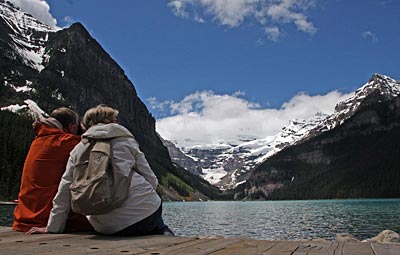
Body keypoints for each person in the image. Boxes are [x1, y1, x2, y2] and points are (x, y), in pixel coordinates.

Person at [27, 105, 173, 236]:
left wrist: (53, 227)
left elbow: (64, 190)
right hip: (145, 216)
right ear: (114, 122)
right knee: (156, 216)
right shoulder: (127, 142)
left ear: (86, 126)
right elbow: (151, 180)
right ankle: (164, 232)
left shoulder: (78, 149)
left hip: (105, 227)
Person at [13, 107, 93, 233]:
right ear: (72, 126)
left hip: (23, 219)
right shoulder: (67, 143)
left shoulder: (38, 141)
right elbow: (94, 145)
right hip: (45, 219)